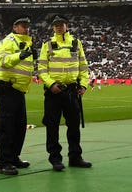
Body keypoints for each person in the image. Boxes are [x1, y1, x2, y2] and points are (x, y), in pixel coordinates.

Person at [38, 16, 92, 171]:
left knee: (74, 126)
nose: (58, 27)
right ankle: (55, 159)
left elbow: (83, 66)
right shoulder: (47, 44)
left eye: (61, 25)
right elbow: (41, 68)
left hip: (71, 91)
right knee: (52, 126)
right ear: (52, 27)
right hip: (53, 91)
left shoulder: (76, 43)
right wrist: (51, 84)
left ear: (66, 25)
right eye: (55, 25)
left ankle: (75, 157)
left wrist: (83, 84)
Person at [0, 17, 37, 176]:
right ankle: (3, 163)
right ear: (15, 26)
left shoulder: (26, 43)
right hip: (7, 88)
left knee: (19, 126)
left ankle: (13, 157)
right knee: (6, 127)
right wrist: (21, 55)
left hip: (18, 90)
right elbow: (3, 61)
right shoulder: (8, 41)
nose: (26, 29)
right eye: (23, 26)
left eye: (27, 26)